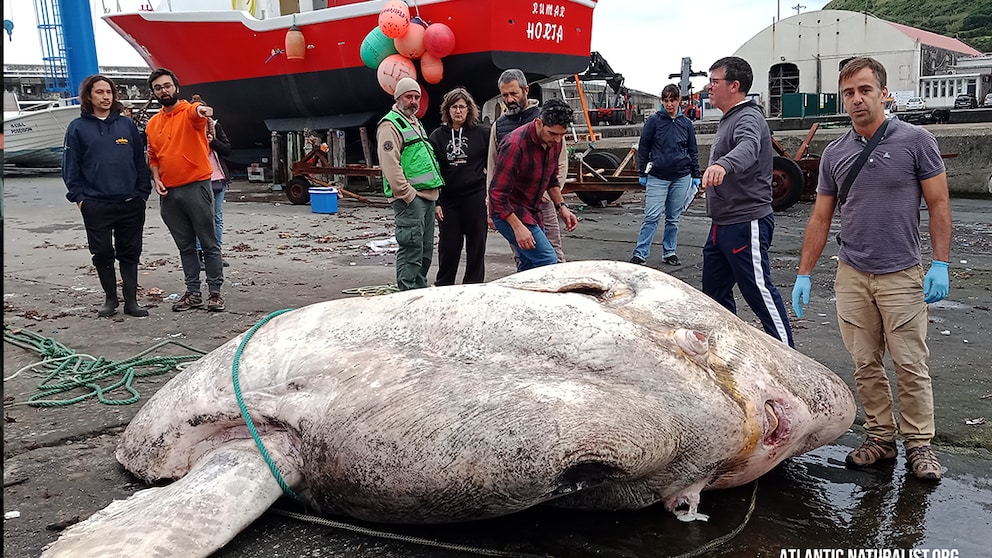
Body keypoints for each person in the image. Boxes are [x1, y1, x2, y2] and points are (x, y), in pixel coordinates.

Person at [791, 57, 950, 480]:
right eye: (848, 93)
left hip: (901, 273)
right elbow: (821, 218)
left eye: (865, 90)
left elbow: (938, 204)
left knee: (911, 364)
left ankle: (920, 446)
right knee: (865, 364)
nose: (857, 99)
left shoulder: (916, 140)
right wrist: (804, 273)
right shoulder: (835, 154)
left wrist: (941, 263)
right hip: (853, 273)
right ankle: (881, 437)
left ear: (883, 93)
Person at [699, 56, 793, 347]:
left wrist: (723, 166)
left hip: (745, 220)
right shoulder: (729, 119)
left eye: (714, 81)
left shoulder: (748, 118)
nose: (708, 87)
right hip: (722, 222)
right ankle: (729, 350)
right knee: (713, 294)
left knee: (758, 291)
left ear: (734, 86)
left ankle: (790, 358)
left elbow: (748, 148)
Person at [63, 74, 151, 318]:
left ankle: (131, 301)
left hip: (130, 202)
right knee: (102, 252)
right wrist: (79, 198)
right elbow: (70, 167)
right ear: (89, 96)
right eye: (99, 92)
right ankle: (110, 299)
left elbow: (139, 162)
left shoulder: (127, 125)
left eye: (109, 92)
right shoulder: (77, 128)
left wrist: (142, 193)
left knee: (130, 251)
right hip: (95, 204)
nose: (105, 97)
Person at [145, 68, 225, 312]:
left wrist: (202, 110)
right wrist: (156, 179)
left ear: (176, 88)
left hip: (196, 186)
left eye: (167, 86)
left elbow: (197, 113)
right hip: (169, 192)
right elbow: (153, 156)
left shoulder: (189, 113)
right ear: (154, 93)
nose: (163, 91)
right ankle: (193, 292)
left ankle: (215, 292)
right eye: (158, 88)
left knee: (209, 242)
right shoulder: (153, 123)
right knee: (185, 245)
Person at [487, 69, 569, 264]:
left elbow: (554, 173)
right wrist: (515, 225)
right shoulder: (511, 140)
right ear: (539, 125)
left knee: (536, 258)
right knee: (547, 259)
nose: (510, 99)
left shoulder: (553, 131)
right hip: (511, 207)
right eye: (505, 95)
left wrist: (560, 205)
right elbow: (495, 186)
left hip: (540, 201)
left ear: (526, 90)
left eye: (513, 93)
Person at [376, 77, 444, 291]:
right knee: (411, 247)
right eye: (408, 97)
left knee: (424, 250)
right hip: (410, 198)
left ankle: (419, 289)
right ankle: (407, 292)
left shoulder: (415, 123)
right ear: (398, 98)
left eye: (416, 97)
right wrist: (406, 194)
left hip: (427, 197)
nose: (413, 101)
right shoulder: (390, 125)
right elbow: (390, 163)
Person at [632, 83, 701, 267]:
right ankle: (640, 253)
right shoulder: (654, 121)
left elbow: (693, 150)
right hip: (658, 176)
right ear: (662, 101)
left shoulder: (686, 124)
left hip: (681, 177)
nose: (669, 104)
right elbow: (644, 147)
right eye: (666, 100)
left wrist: (696, 174)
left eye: (673, 100)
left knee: (673, 218)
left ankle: (669, 251)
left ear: (679, 100)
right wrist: (642, 172)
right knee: (652, 216)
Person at [428, 87, 490, 285]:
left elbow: (496, 159)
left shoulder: (483, 133)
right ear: (448, 110)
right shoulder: (437, 136)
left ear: (469, 109)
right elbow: (432, 170)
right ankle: (444, 285)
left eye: (462, 107)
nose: (458, 111)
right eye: (454, 107)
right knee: (449, 245)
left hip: (475, 195)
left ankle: (474, 284)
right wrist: (436, 201)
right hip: (448, 199)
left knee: (477, 243)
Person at [193, 111, 233, 270]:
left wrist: (213, 141)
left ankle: (216, 253)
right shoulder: (189, 129)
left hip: (218, 178)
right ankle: (199, 254)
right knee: (200, 218)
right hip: (199, 180)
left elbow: (227, 149)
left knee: (217, 218)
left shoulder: (215, 127)